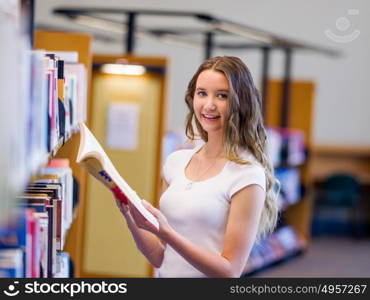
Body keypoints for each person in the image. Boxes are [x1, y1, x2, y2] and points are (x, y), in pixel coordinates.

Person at [115, 56, 279, 278]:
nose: (209, 105)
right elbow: (159, 256)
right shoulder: (176, 162)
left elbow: (230, 271)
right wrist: (130, 216)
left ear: (241, 102)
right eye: (202, 93)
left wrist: (168, 234)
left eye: (222, 95)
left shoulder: (247, 174)